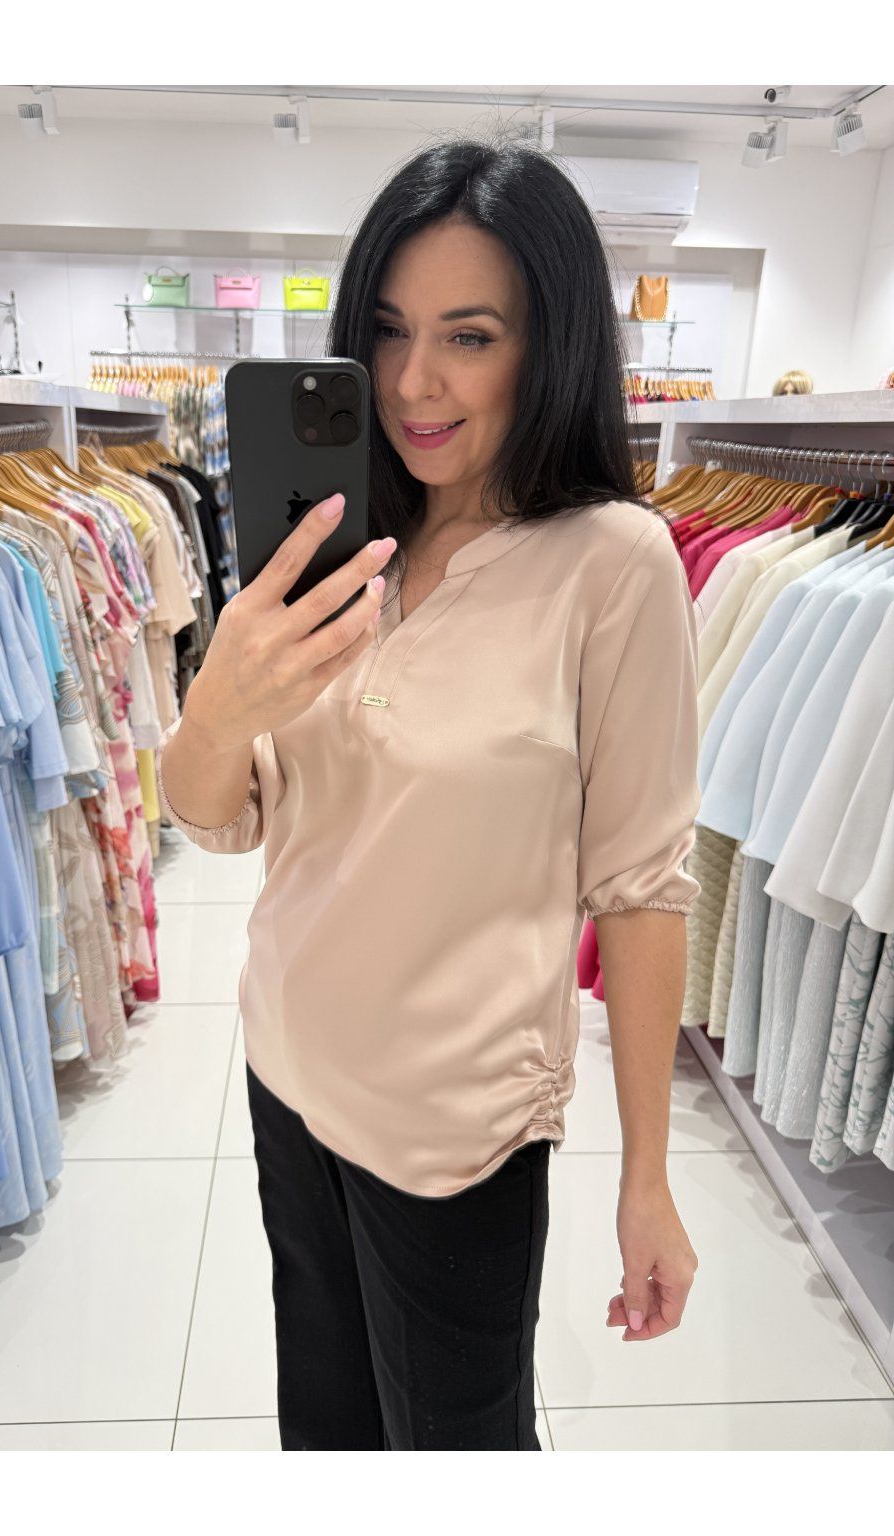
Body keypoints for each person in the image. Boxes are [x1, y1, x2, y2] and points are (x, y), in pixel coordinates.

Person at [157, 135, 701, 1451]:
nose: (414, 382)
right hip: (287, 1069)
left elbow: (641, 888)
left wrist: (647, 1177)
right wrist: (218, 707)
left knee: (458, 1452)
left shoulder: (612, 566)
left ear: (550, 346)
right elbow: (219, 814)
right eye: (391, 330)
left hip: (458, 1135)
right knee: (327, 1432)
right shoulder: (338, 543)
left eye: (469, 336)